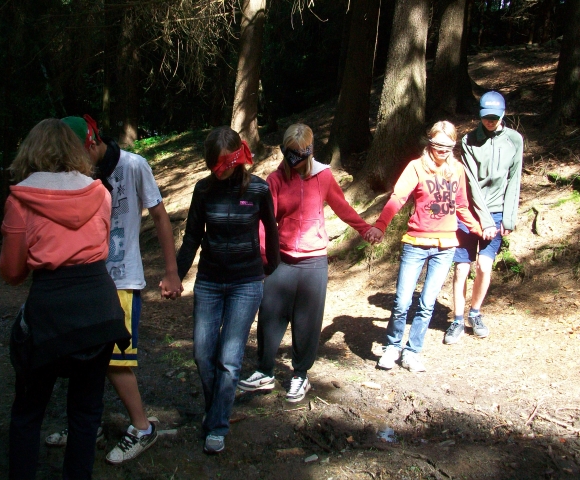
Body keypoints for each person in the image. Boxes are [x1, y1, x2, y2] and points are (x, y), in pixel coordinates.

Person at [45, 115, 184, 465]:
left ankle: (142, 428)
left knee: (114, 360)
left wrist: (171, 272)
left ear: (92, 143)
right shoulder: (76, 173)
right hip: (84, 279)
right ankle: (85, 426)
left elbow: (160, 216)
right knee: (81, 355)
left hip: (122, 278)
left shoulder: (134, 165)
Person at [0, 119, 131, 479]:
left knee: (28, 413)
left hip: (50, 314)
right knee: (86, 413)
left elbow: (12, 272)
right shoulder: (100, 193)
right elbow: (101, 249)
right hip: (100, 312)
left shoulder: (20, 200)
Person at [238, 123, 374, 402]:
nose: (295, 160)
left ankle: (300, 375)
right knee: (270, 316)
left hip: (313, 261)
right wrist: (263, 258)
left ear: (309, 151)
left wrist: (365, 229)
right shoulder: (275, 180)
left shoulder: (323, 176)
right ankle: (264, 371)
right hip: (281, 260)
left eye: (300, 154)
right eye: (290, 153)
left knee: (307, 322)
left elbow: (342, 206)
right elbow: (265, 223)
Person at [176, 126, 280, 454]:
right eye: (213, 164)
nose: (218, 170)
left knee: (230, 358)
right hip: (209, 280)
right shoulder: (203, 189)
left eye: (223, 164)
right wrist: (175, 275)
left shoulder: (259, 189)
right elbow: (192, 236)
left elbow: (271, 229)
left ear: (236, 159)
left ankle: (217, 425)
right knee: (202, 354)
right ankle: (216, 410)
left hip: (246, 283)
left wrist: (271, 267)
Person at [365, 121, 483, 373]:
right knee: (402, 302)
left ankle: (412, 352)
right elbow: (398, 197)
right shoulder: (416, 167)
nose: (442, 150)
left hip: (445, 246)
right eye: (438, 144)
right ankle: (392, 347)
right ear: (430, 142)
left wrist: (478, 228)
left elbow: (462, 206)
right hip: (416, 244)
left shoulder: (457, 170)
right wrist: (381, 225)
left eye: (447, 146)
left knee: (427, 303)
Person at [444, 91, 523, 344]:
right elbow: (472, 183)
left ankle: (475, 313)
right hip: (469, 212)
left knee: (484, 267)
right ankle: (457, 319)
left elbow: (514, 180)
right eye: (486, 117)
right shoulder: (469, 140)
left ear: (503, 114)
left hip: (497, 212)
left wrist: (508, 218)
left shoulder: (514, 140)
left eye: (495, 117)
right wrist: (483, 220)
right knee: (462, 268)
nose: (490, 121)